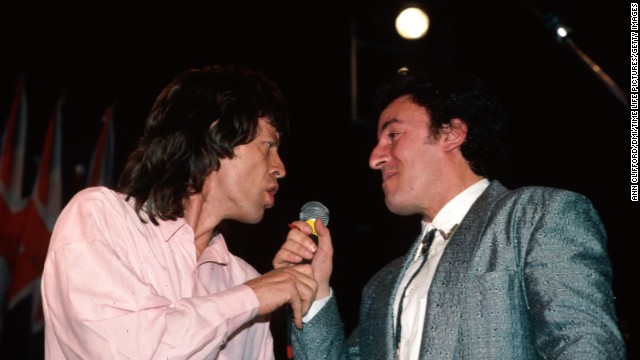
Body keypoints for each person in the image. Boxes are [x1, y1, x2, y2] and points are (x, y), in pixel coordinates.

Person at [274, 68, 626, 359]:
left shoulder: (536, 216)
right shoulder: (383, 284)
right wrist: (316, 291)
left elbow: (583, 345)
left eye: (393, 134)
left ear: (452, 133)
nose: (375, 157)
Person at [41, 64, 318, 359]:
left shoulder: (242, 278)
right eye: (268, 145)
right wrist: (253, 296)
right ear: (216, 137)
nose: (280, 168)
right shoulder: (99, 217)